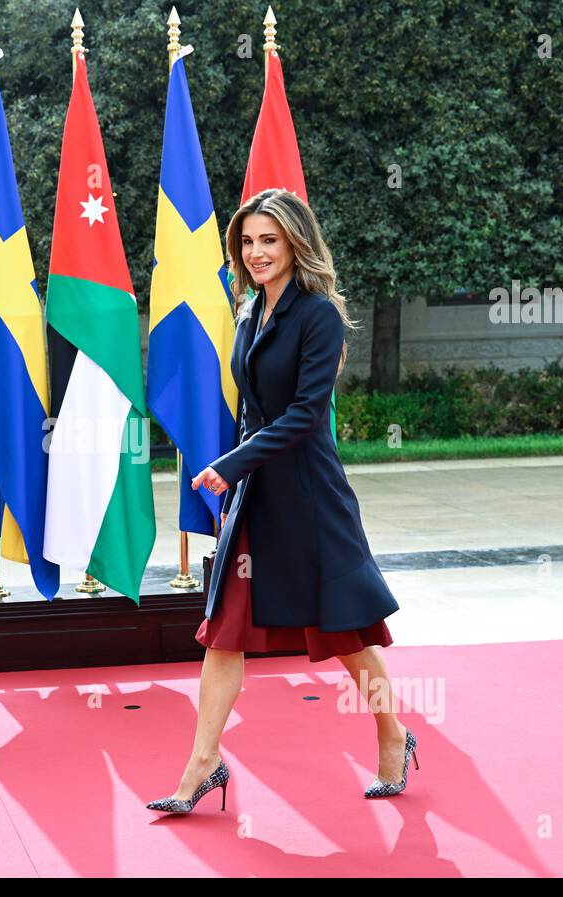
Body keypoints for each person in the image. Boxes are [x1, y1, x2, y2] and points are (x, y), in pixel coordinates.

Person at [146, 188, 415, 814]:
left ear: (296, 241)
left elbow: (302, 415)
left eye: (270, 239)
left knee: (347, 632)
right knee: (224, 633)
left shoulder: (317, 314)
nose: (257, 251)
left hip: (309, 496)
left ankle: (392, 733)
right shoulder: (249, 308)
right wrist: (234, 476)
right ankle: (203, 766)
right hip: (256, 496)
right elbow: (252, 409)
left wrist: (230, 465)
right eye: (248, 241)